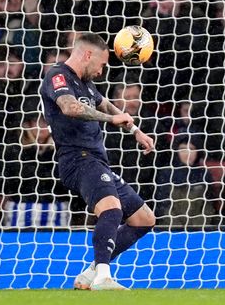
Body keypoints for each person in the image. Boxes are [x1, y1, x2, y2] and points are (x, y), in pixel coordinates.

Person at [40, 33, 156, 290]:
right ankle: (104, 277)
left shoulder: (87, 84)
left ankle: (92, 272)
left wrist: (135, 130)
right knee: (111, 209)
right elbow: (70, 107)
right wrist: (112, 120)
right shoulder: (57, 76)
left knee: (144, 219)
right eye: (102, 64)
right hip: (77, 159)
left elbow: (106, 105)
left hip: (96, 161)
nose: (102, 71)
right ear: (87, 54)